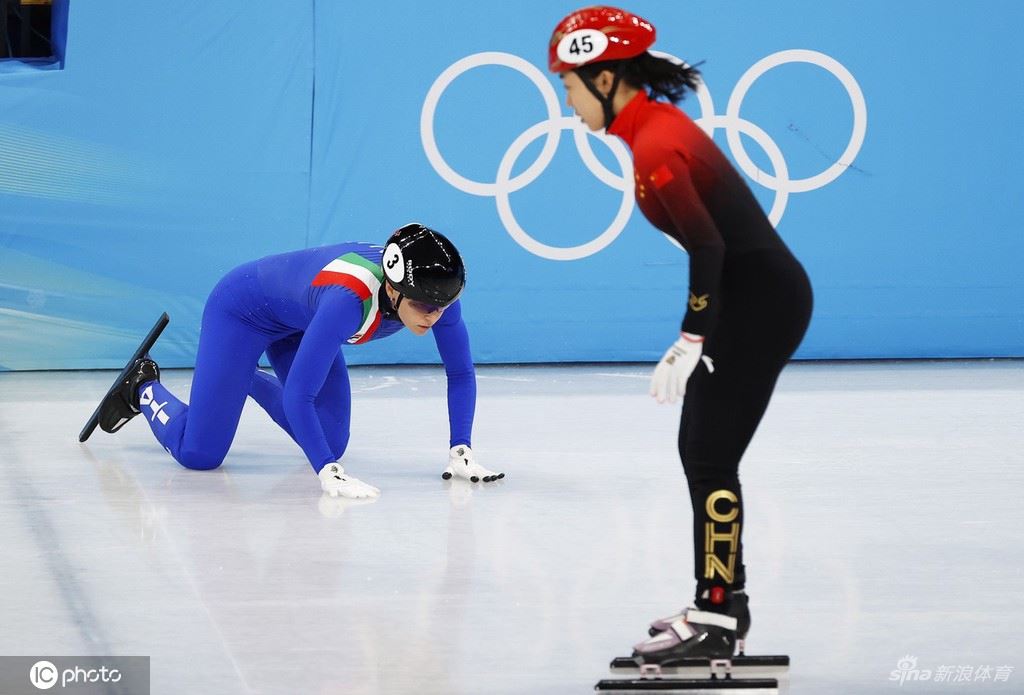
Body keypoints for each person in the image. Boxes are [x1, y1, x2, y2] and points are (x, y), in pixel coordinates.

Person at [548, 7, 813, 663]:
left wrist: (691, 336)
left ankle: (717, 615)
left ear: (605, 80)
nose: (569, 104)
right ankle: (721, 602)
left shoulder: (657, 145)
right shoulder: (650, 131)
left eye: (571, 87)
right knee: (700, 448)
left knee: (710, 455)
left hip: (761, 305)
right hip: (748, 301)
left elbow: (708, 246)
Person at [92, 223, 503, 498]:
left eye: (442, 306)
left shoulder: (437, 297)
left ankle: (238, 375)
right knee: (199, 454)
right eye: (424, 306)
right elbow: (298, 397)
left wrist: (460, 449)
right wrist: (327, 472)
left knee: (331, 439)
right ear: (393, 291)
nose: (434, 316)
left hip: (300, 320)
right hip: (242, 311)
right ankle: (141, 386)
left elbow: (460, 373)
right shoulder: (348, 302)